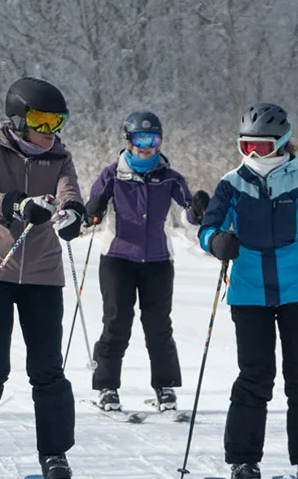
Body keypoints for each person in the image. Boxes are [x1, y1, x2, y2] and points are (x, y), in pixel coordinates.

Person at [197, 103, 298, 479]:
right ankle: (243, 459)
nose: (253, 154)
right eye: (246, 146)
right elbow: (207, 229)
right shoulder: (231, 184)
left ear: (282, 144)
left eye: (262, 147)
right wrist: (216, 241)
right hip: (249, 293)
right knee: (255, 376)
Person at [0, 76, 86, 479]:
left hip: (43, 273)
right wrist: (18, 204)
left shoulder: (59, 157)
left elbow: (70, 193)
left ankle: (55, 455)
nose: (51, 132)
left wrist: (71, 216)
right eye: (42, 122)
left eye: (57, 122)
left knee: (47, 367)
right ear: (18, 118)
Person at [81, 110, 211, 416]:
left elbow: (186, 215)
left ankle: (165, 388)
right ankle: (107, 387)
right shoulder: (112, 174)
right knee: (116, 323)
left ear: (160, 141)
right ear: (128, 140)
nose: (146, 146)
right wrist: (94, 209)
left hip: (158, 260)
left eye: (152, 139)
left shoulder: (170, 177)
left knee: (158, 325)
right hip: (117, 259)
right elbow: (92, 212)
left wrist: (199, 211)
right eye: (140, 138)